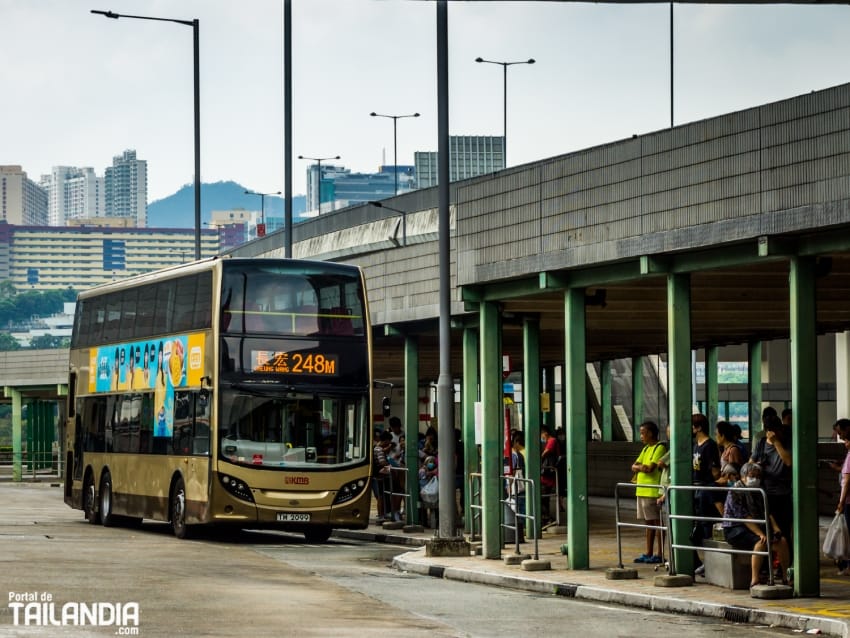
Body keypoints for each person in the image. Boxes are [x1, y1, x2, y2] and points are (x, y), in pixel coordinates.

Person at [722, 462, 790, 588]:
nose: (756, 479)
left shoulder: (759, 491)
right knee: (760, 542)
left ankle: (785, 577)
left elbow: (766, 511)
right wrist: (760, 533)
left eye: (758, 476)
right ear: (743, 476)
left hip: (756, 525)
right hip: (735, 528)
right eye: (752, 475)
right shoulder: (736, 491)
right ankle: (755, 579)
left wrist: (775, 528)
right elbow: (744, 517)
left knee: (782, 542)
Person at [750, 413, 792, 547]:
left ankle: (785, 563)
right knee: (766, 531)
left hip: (782, 494)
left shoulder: (785, 441)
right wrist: (757, 467)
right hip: (765, 493)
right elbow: (750, 463)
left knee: (783, 530)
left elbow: (789, 462)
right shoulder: (761, 443)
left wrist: (777, 443)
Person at [631, 421, 666, 564]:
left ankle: (659, 553)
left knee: (657, 523)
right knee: (648, 523)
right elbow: (634, 465)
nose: (641, 436)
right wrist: (640, 467)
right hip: (642, 490)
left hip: (652, 491)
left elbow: (650, 468)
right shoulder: (646, 449)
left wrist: (640, 467)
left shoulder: (659, 447)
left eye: (643, 433)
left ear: (650, 433)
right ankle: (649, 552)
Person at [691, 413, 721, 576]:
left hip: (706, 489)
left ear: (699, 427)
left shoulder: (709, 445)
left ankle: (711, 562)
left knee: (707, 524)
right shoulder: (696, 445)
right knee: (699, 526)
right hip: (697, 489)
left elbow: (715, 470)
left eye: (693, 426)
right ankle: (704, 561)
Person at [836, 431, 850, 574]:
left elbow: (846, 482)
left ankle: (848, 564)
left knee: (848, 534)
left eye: (846, 441)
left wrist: (841, 502)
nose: (845, 444)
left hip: (848, 501)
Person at [372, 430, 392, 521]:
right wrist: (390, 465)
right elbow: (382, 462)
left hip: (377, 475)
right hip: (380, 476)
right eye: (389, 441)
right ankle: (381, 514)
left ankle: (382, 514)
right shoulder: (379, 449)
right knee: (381, 496)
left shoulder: (376, 448)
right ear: (386, 440)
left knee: (381, 495)